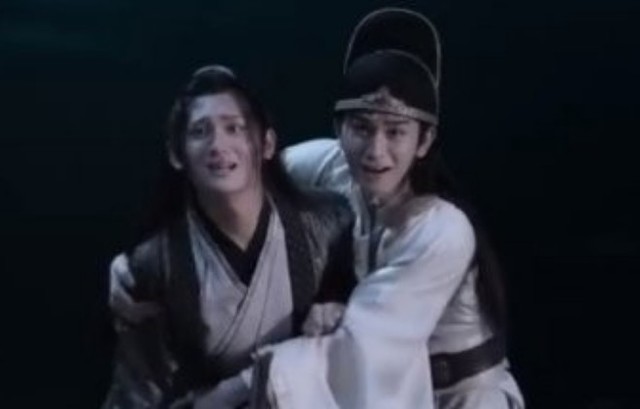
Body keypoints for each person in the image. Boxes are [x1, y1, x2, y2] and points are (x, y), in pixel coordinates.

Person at [244, 8, 525, 409]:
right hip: (391, 387)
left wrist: (226, 393)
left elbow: (359, 347)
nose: (376, 151)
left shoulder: (441, 228)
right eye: (361, 128)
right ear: (339, 128)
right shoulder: (331, 166)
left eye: (395, 132)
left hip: (460, 397)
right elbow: (244, 177)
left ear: (424, 140)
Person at [101, 65, 355, 409]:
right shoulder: (157, 264)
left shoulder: (328, 225)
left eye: (234, 128)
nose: (218, 145)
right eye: (200, 131)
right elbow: (137, 394)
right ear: (177, 154)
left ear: (266, 143)